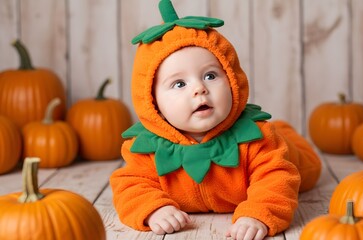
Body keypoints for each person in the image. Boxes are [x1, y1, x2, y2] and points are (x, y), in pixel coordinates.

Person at [110, 1, 322, 239]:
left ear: (232, 79)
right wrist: (154, 209)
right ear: (152, 100)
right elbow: (130, 186)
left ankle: (286, 131)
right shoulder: (144, 150)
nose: (199, 88)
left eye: (210, 75)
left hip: (288, 151)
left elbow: (277, 179)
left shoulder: (257, 139)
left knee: (307, 169)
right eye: (179, 84)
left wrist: (258, 214)